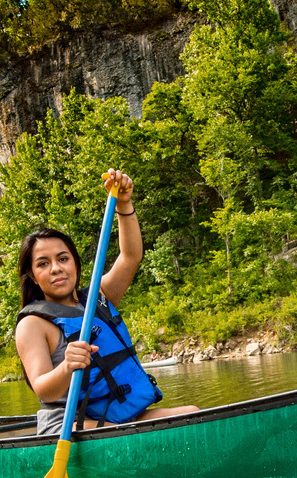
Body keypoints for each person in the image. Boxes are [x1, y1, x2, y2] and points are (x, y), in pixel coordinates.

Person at [16, 169, 199, 435]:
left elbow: (131, 257)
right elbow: (43, 387)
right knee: (119, 432)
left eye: (63, 258)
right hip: (67, 425)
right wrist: (67, 365)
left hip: (114, 414)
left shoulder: (96, 298)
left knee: (191, 414)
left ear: (75, 264)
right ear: (32, 276)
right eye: (43, 264)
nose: (56, 268)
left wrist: (124, 204)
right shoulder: (33, 323)